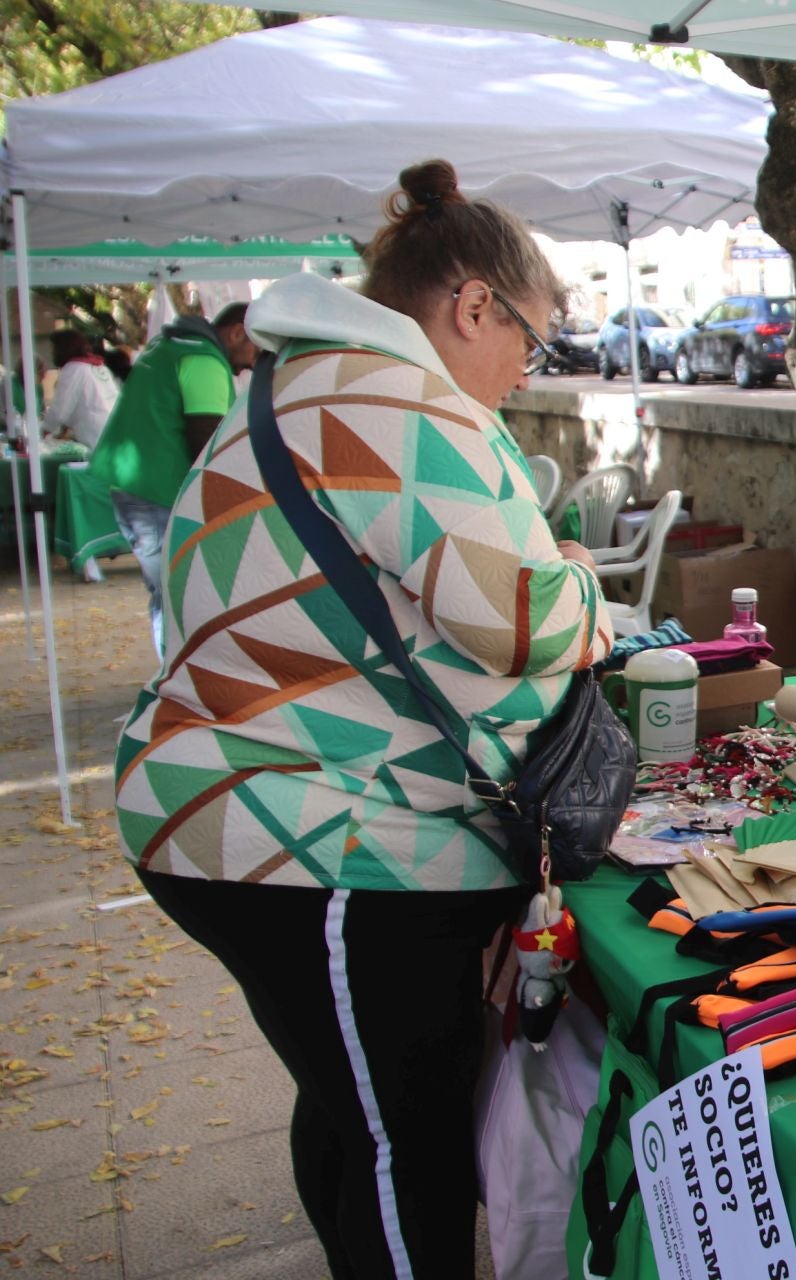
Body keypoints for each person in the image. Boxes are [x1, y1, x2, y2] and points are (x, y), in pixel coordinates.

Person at [113, 159, 604, 1280]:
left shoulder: (299, 384)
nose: (523, 373)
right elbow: (520, 618)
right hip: (322, 831)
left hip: (260, 813)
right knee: (406, 1142)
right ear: (473, 304)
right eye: (530, 341)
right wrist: (580, 581)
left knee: (357, 1106)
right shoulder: (393, 400)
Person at [88, 299, 257, 659]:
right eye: (255, 351)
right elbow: (207, 441)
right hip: (157, 492)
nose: (251, 364)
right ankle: (177, 674)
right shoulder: (203, 360)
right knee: (175, 593)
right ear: (236, 333)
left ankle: (175, 669)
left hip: (135, 485)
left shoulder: (167, 347)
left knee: (167, 591)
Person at [41, 330, 120, 448]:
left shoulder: (74, 369)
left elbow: (60, 409)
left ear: (62, 348)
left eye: (53, 348)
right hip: (114, 429)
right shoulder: (98, 366)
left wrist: (44, 430)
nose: (51, 353)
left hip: (95, 434)